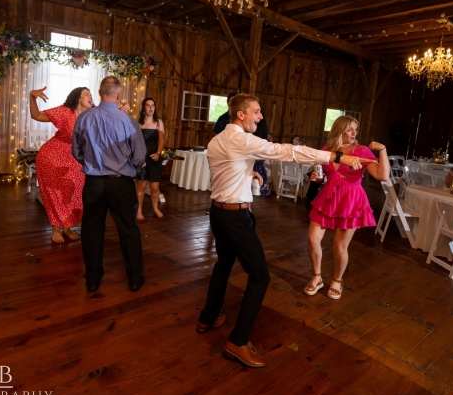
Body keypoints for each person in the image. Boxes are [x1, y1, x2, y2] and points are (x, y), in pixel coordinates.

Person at [196, 94, 373, 368]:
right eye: (256, 111)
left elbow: (223, 171)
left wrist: (248, 174)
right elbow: (290, 152)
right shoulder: (243, 140)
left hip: (218, 213)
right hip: (236, 217)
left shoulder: (217, 139)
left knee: (223, 264)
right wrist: (338, 156)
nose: (260, 116)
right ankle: (238, 341)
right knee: (260, 277)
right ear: (241, 114)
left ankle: (208, 317)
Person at [72, 76, 147, 292]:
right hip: (121, 183)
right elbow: (139, 156)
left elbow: (76, 152)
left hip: (94, 183)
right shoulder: (129, 121)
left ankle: (92, 279)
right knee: (128, 229)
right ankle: (134, 278)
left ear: (98, 92)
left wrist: (93, 163)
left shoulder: (84, 118)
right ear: (119, 94)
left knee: (92, 230)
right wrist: (126, 167)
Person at [304, 116, 390, 299]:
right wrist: (316, 178)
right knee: (312, 238)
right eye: (350, 129)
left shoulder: (361, 150)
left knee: (339, 245)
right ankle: (317, 277)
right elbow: (321, 176)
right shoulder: (327, 150)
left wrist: (382, 150)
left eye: (355, 130)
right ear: (339, 129)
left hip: (351, 200)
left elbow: (382, 175)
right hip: (328, 197)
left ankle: (337, 280)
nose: (354, 133)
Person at [29, 86, 93, 243]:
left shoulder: (91, 116)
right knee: (55, 193)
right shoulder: (65, 111)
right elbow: (36, 115)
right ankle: (56, 229)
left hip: (74, 159)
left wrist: (121, 108)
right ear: (78, 98)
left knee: (74, 191)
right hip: (52, 157)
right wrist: (32, 96)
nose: (90, 96)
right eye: (86, 94)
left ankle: (67, 227)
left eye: (91, 94)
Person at [135, 97, 165, 220]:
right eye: (148, 105)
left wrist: (158, 153)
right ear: (144, 108)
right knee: (141, 186)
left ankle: (155, 208)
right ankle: (139, 210)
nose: (151, 107)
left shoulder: (159, 122)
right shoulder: (138, 123)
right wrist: (139, 158)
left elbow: (162, 140)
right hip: (142, 158)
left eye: (152, 105)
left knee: (154, 187)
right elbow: (135, 142)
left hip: (154, 158)